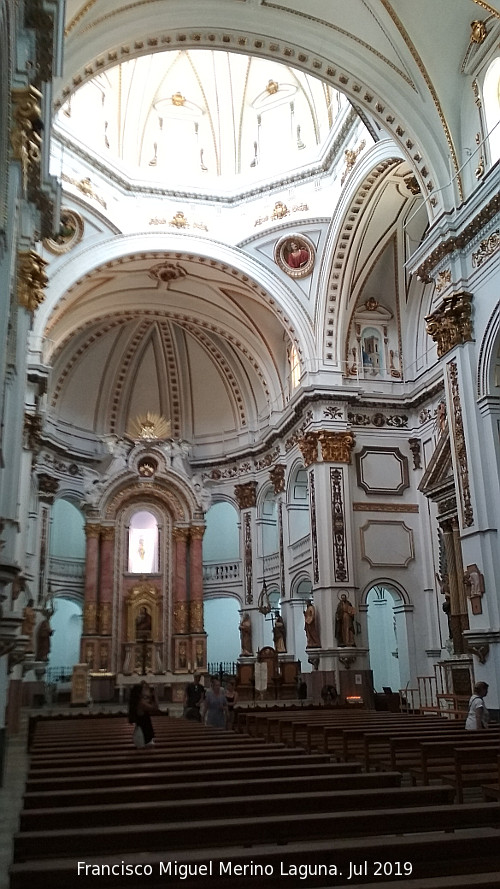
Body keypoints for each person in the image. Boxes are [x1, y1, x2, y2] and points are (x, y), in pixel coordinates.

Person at [128, 681, 158, 746]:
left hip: (142, 731)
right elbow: (155, 708)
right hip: (144, 733)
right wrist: (154, 696)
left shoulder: (138, 702)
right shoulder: (141, 703)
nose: (145, 691)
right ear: (139, 692)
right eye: (143, 689)